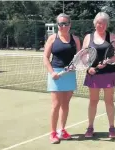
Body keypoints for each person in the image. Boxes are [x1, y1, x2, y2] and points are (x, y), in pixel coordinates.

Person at [43, 13, 81, 144]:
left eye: (65, 23)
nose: (63, 26)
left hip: (69, 74)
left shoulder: (75, 39)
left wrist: (75, 66)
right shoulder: (52, 38)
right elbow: (45, 58)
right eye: (60, 24)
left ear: (70, 25)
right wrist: (52, 72)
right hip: (56, 74)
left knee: (65, 105)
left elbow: (80, 57)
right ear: (57, 25)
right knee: (56, 105)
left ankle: (62, 130)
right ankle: (53, 133)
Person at [82, 12, 115, 138]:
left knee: (109, 101)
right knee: (93, 101)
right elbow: (83, 55)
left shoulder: (112, 36)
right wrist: (89, 68)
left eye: (104, 23)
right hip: (93, 74)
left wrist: (108, 61)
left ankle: (111, 127)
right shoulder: (88, 37)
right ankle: (90, 127)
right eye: (99, 22)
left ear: (106, 24)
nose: (101, 25)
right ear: (95, 23)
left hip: (109, 73)